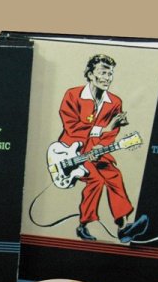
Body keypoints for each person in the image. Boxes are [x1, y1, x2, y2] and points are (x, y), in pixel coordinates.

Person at [58, 54, 148, 243]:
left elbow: (112, 133)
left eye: (110, 74)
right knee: (96, 180)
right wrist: (101, 130)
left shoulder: (115, 102)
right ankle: (84, 225)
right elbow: (71, 127)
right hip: (69, 152)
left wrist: (100, 145)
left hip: (97, 152)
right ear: (91, 74)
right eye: (103, 73)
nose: (107, 78)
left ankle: (124, 228)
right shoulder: (72, 95)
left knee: (114, 175)